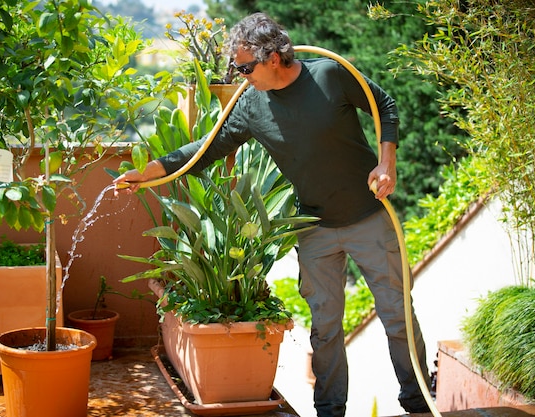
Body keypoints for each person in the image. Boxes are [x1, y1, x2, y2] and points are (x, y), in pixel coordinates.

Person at [113, 12, 431, 417]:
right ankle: (330, 411)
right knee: (326, 329)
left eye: (246, 67)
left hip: (368, 216)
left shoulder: (330, 75)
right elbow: (203, 150)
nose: (240, 75)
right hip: (314, 227)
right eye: (236, 67)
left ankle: (418, 404)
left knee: (397, 316)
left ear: (274, 57)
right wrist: (148, 173)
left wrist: (388, 164)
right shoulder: (250, 105)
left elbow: (383, 104)